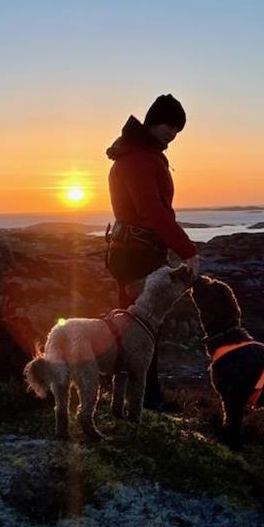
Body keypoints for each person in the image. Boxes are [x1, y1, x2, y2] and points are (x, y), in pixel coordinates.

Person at [105, 93, 200, 410]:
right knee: (141, 329)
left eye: (178, 128)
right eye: (169, 125)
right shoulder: (139, 158)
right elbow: (152, 210)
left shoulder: (140, 153)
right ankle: (146, 399)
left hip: (135, 250)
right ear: (152, 121)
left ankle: (138, 396)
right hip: (136, 254)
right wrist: (187, 250)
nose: (173, 133)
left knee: (137, 326)